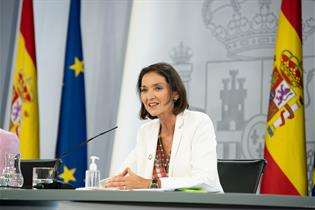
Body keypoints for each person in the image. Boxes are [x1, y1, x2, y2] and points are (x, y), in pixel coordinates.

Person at [103, 63, 223, 192]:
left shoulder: (199, 123)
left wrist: (151, 183)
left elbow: (205, 180)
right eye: (144, 90)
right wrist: (111, 183)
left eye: (158, 88)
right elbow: (122, 176)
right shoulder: (146, 132)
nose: (149, 96)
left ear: (175, 94)